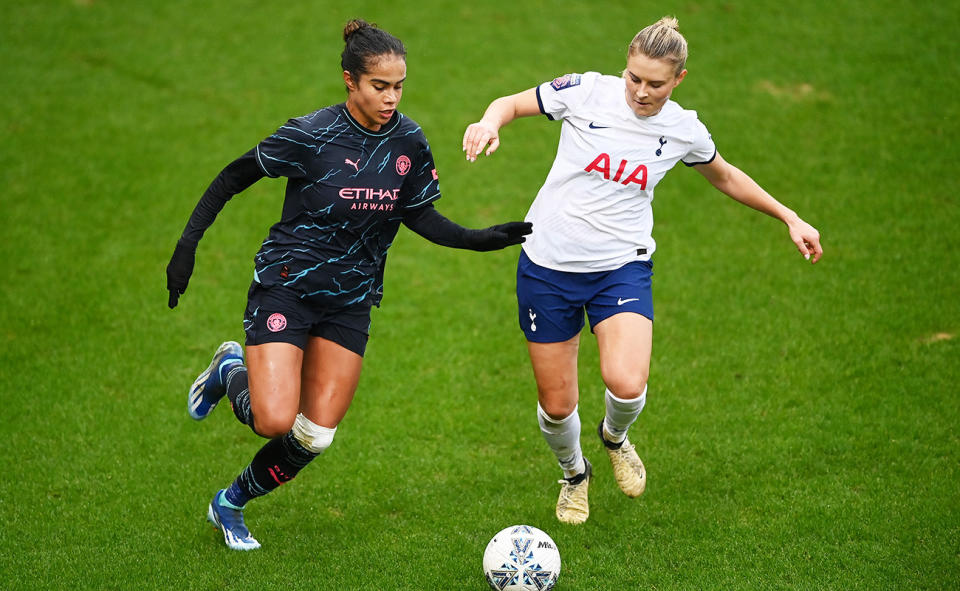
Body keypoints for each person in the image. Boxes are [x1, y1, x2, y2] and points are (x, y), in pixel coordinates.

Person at [165, 19, 531, 550]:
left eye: (399, 85)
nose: (391, 97)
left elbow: (420, 215)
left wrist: (481, 239)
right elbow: (231, 177)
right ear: (350, 81)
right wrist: (186, 246)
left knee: (314, 434)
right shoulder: (311, 135)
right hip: (287, 286)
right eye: (379, 86)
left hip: (350, 301)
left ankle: (230, 503)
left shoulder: (409, 140)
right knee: (273, 419)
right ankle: (230, 370)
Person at [462, 16, 823, 525]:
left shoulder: (683, 129)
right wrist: (488, 123)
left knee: (627, 382)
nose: (641, 91)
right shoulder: (586, 92)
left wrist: (790, 216)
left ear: (679, 79)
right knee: (558, 404)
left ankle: (615, 438)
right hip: (547, 265)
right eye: (634, 77)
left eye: (656, 83)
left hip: (621, 267)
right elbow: (512, 103)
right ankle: (573, 474)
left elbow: (725, 175)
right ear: (625, 67)